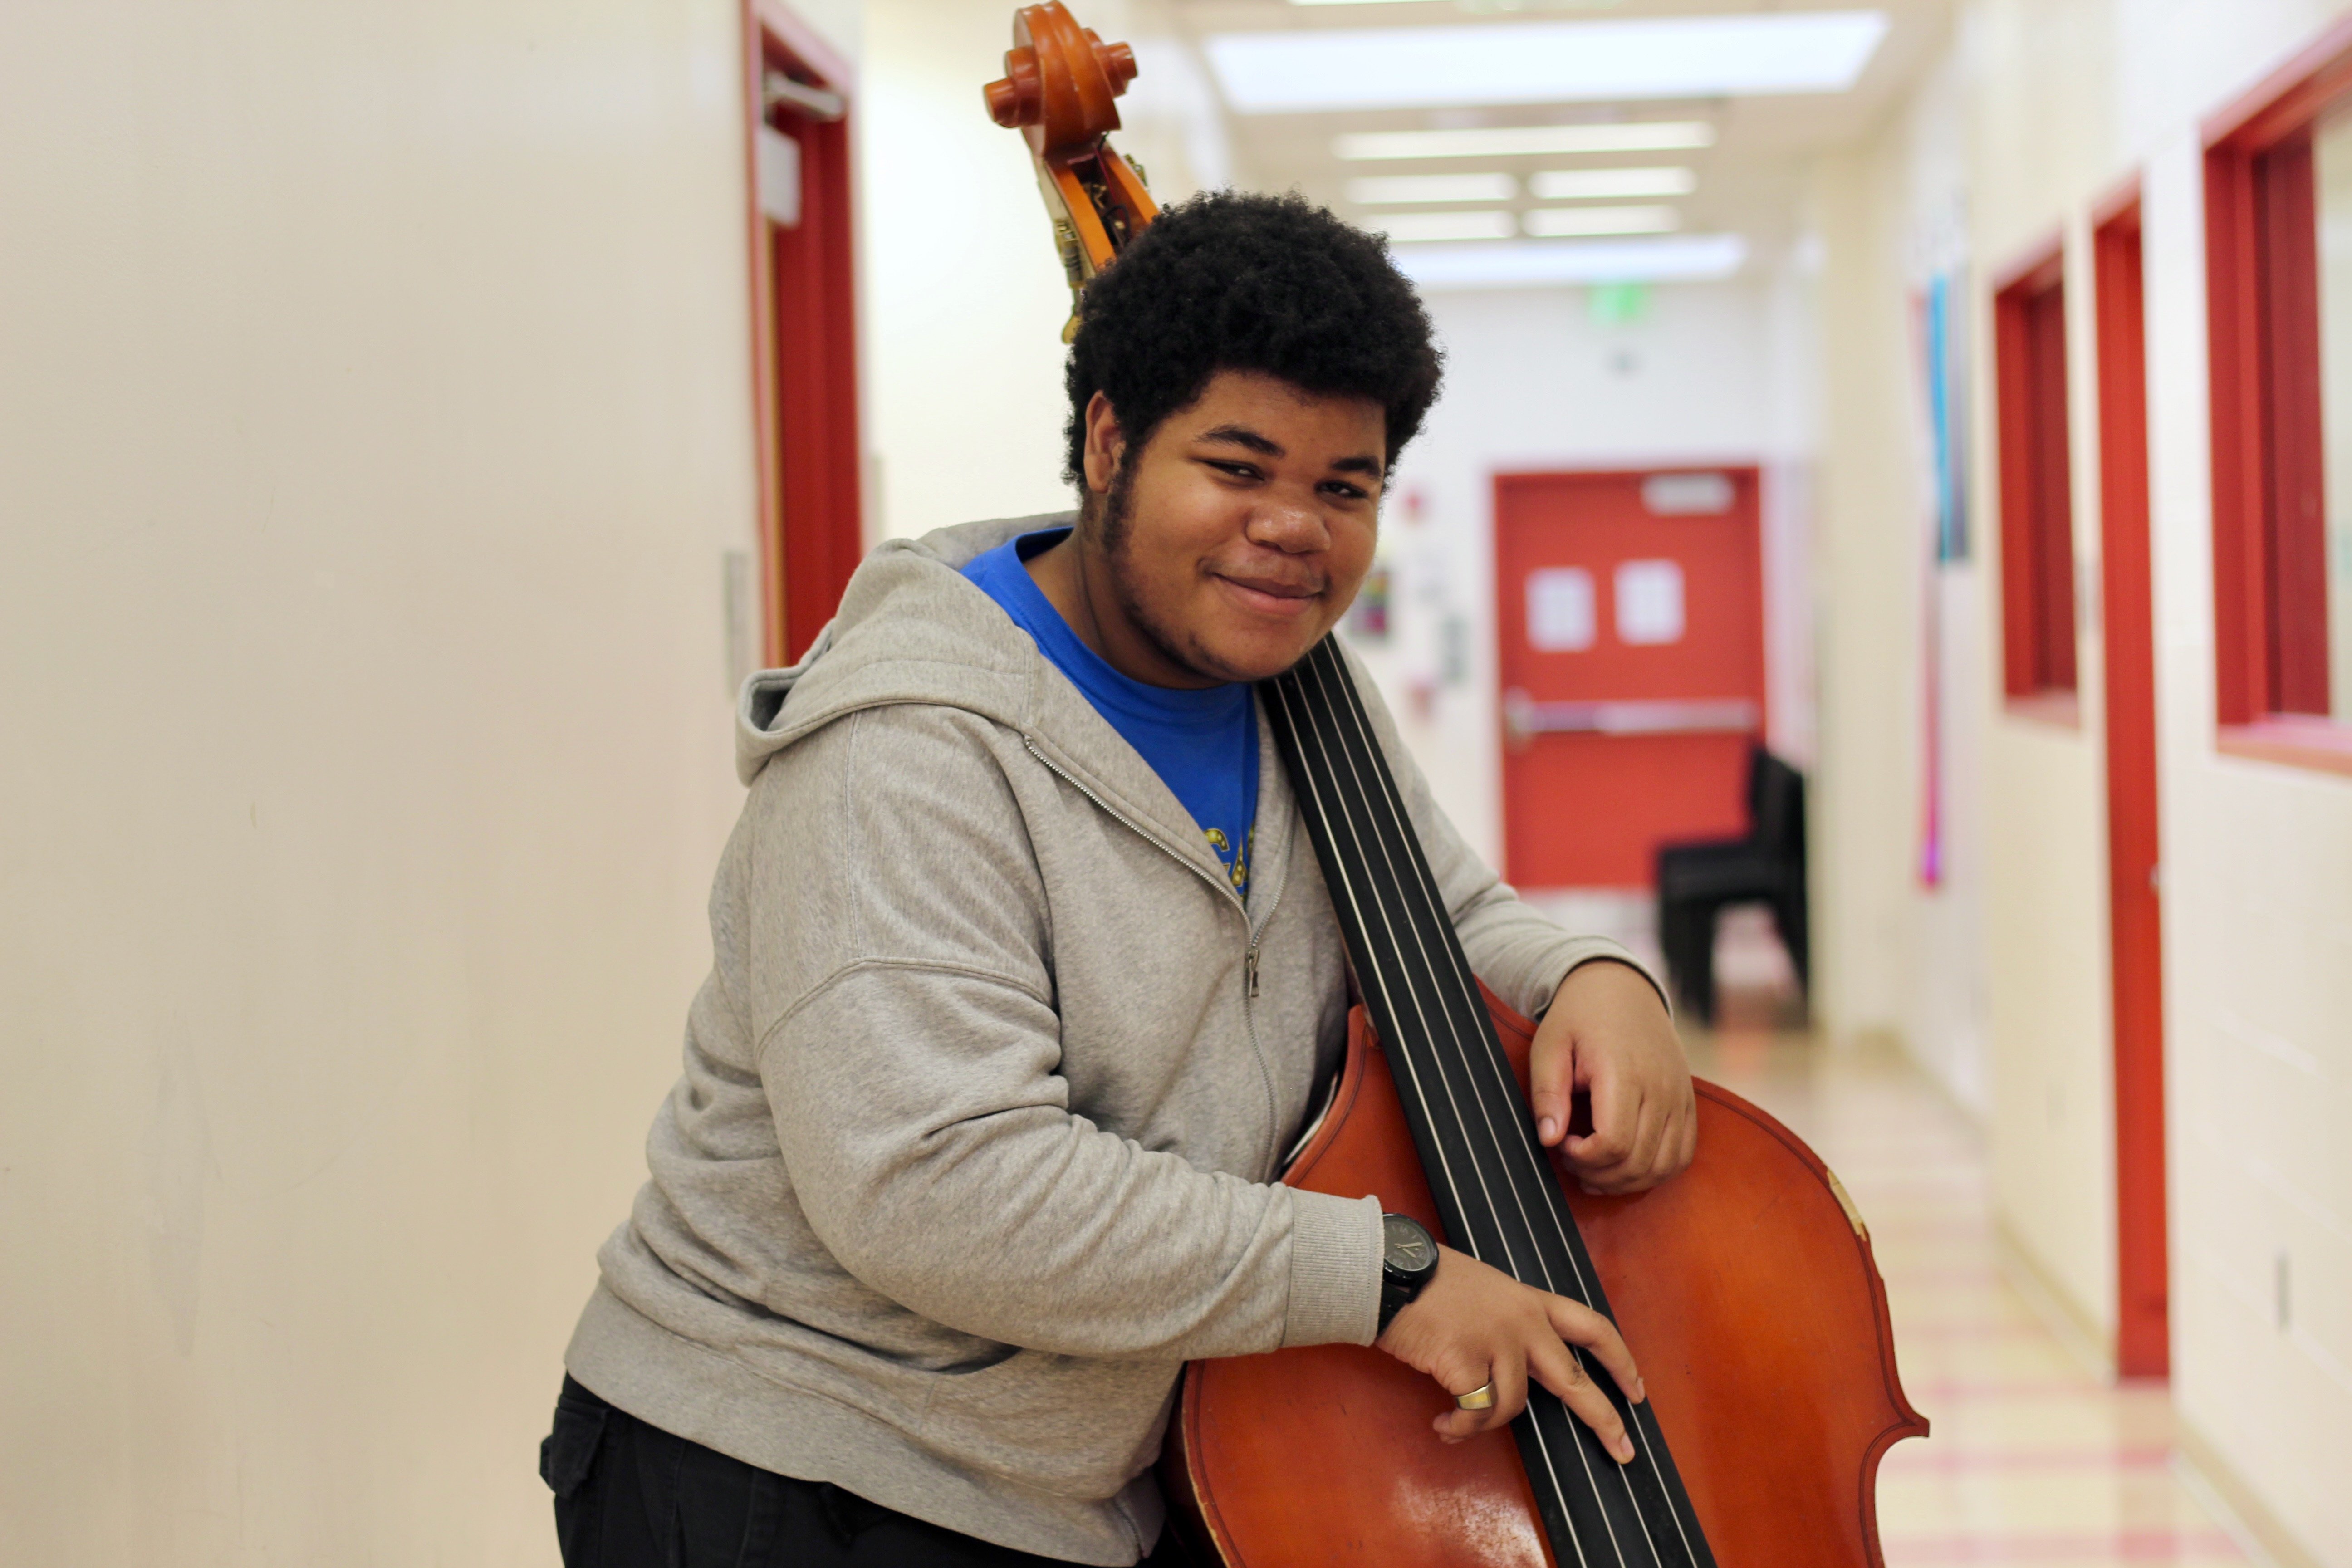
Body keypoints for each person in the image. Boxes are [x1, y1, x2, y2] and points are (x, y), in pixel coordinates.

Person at [542, 191, 1695, 1568]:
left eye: (1345, 487)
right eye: (1238, 465)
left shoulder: (1296, 691)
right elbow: (943, 1186)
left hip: (1084, 1478)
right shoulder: (909, 749)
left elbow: (1444, 916)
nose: (1295, 529)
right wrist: (1387, 1280)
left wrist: (1594, 976)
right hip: (801, 1464)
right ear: (1109, 441)